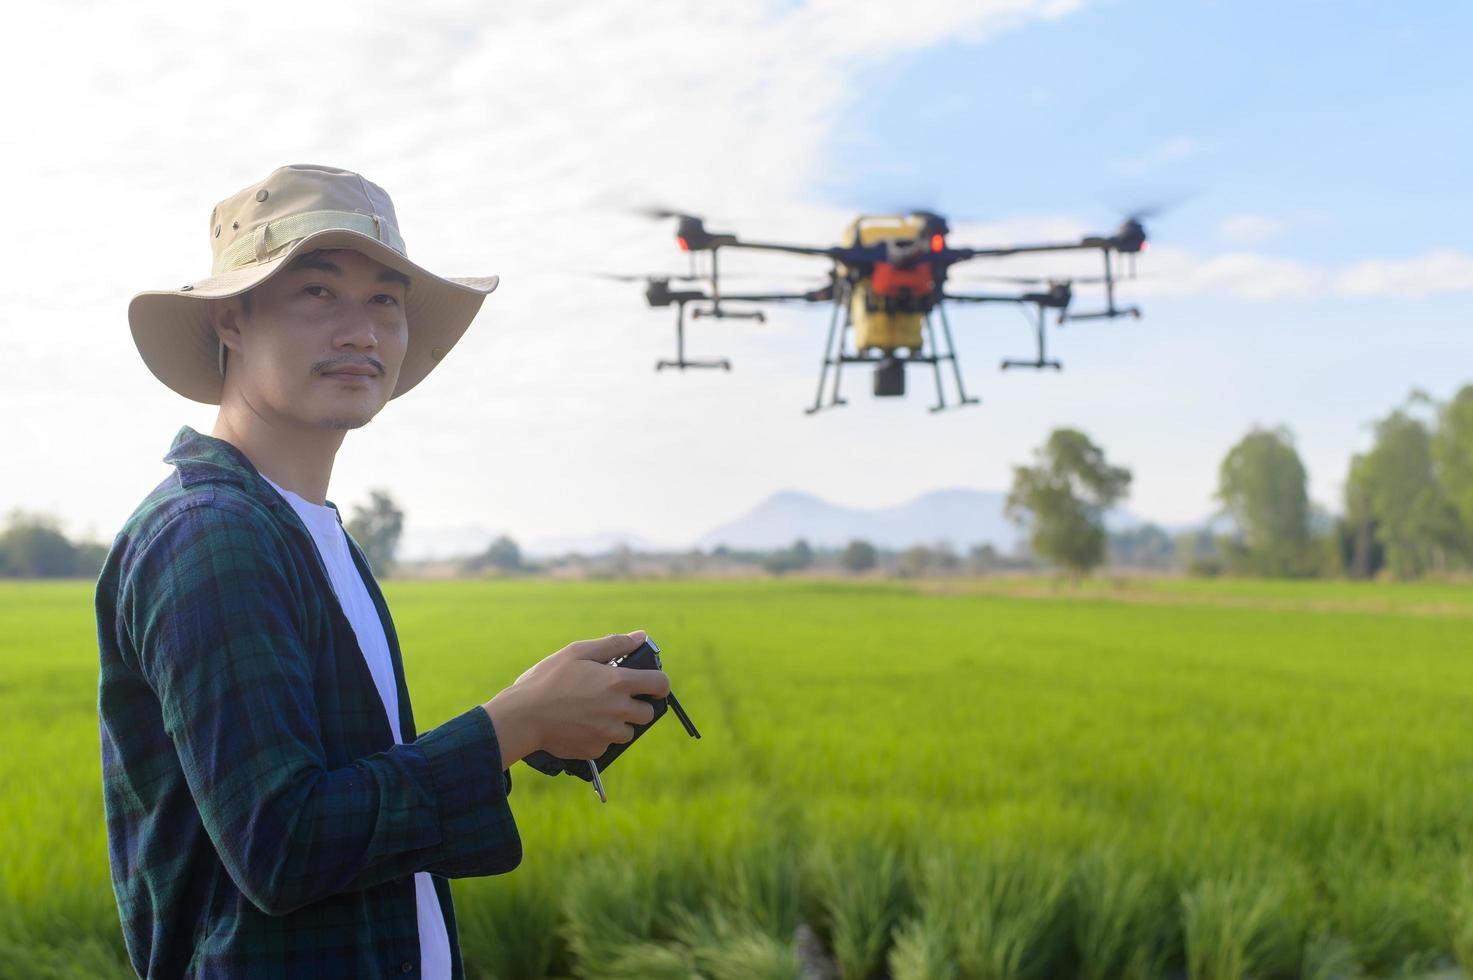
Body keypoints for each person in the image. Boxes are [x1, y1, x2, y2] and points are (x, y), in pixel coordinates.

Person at [95, 163, 670, 979]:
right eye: (318, 293)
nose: (361, 331)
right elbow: (282, 843)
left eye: (385, 300)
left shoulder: (307, 530)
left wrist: (527, 720)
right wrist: (513, 726)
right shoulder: (211, 536)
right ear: (230, 318)